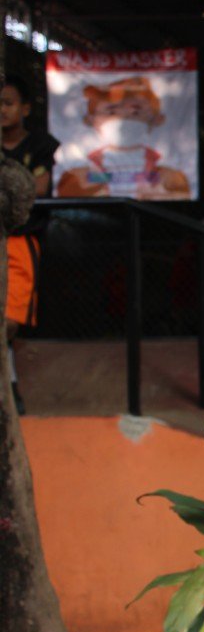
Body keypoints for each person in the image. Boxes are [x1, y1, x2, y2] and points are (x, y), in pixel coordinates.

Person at [1, 74, 59, 414]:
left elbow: (37, 189)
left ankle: (8, 387)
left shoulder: (39, 145)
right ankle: (9, 387)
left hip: (20, 240)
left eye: (8, 103)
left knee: (9, 321)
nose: (2, 110)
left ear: (24, 108)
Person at [56, 75, 190, 200]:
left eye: (135, 112)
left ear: (156, 119)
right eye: (111, 111)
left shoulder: (170, 176)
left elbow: (180, 198)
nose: (122, 120)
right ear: (91, 119)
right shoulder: (78, 176)